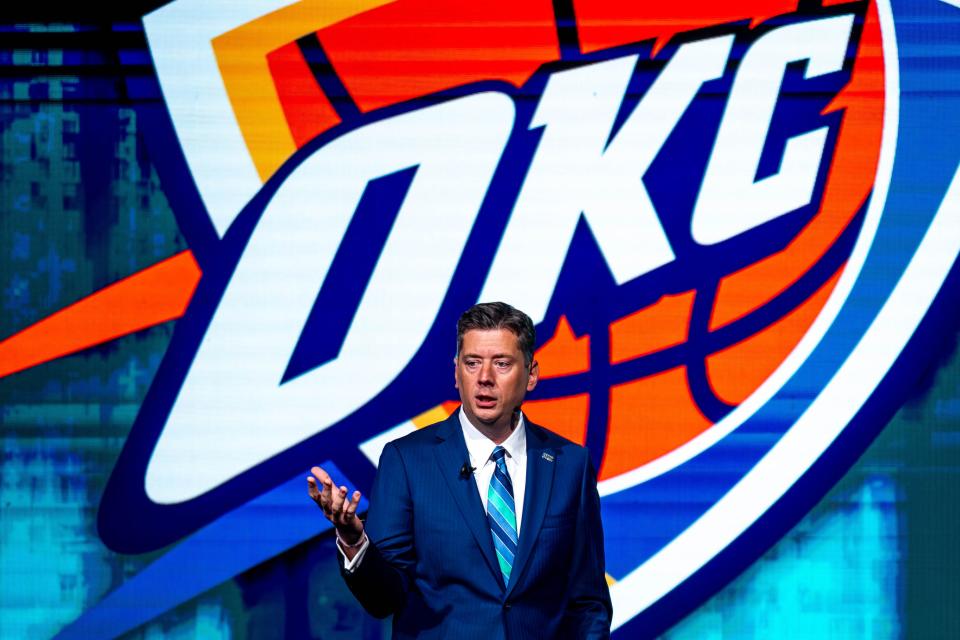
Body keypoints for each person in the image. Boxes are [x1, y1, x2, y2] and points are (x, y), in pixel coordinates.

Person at [308, 302, 612, 639]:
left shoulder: (570, 464)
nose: (485, 378)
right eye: (472, 363)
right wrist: (354, 540)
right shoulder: (408, 461)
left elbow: (588, 603)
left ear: (531, 374)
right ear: (456, 373)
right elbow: (384, 599)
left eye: (502, 363)